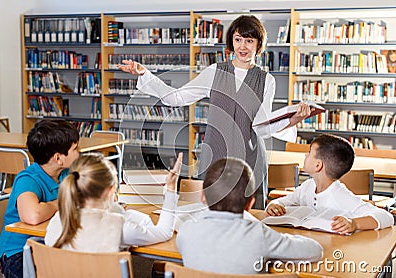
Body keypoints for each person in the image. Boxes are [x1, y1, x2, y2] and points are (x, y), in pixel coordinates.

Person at [118, 15, 311, 209]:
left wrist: (293, 120)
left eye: (249, 41)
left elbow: (262, 126)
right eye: (238, 40)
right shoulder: (214, 72)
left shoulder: (266, 80)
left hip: (250, 159)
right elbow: (176, 98)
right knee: (210, 211)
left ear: (258, 44)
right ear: (231, 42)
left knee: (251, 216)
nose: (242, 47)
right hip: (216, 155)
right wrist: (145, 74)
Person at [176, 157, 323, 274]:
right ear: (250, 203)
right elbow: (315, 250)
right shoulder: (259, 235)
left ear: (202, 196)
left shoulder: (186, 232)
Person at [45, 152, 183, 251]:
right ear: (110, 191)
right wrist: (171, 187)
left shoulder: (58, 220)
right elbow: (164, 232)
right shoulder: (120, 227)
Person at [0, 119, 80, 278]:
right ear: (58, 158)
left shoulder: (65, 173)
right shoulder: (28, 179)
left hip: (50, 244)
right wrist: (61, 203)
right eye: (75, 149)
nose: (80, 152)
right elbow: (33, 216)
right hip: (19, 253)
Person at [266, 134, 394, 234]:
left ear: (318, 165)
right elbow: (283, 201)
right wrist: (274, 205)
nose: (306, 154)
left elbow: (386, 217)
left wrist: (354, 223)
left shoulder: (340, 195)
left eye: (309, 152)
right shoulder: (308, 186)